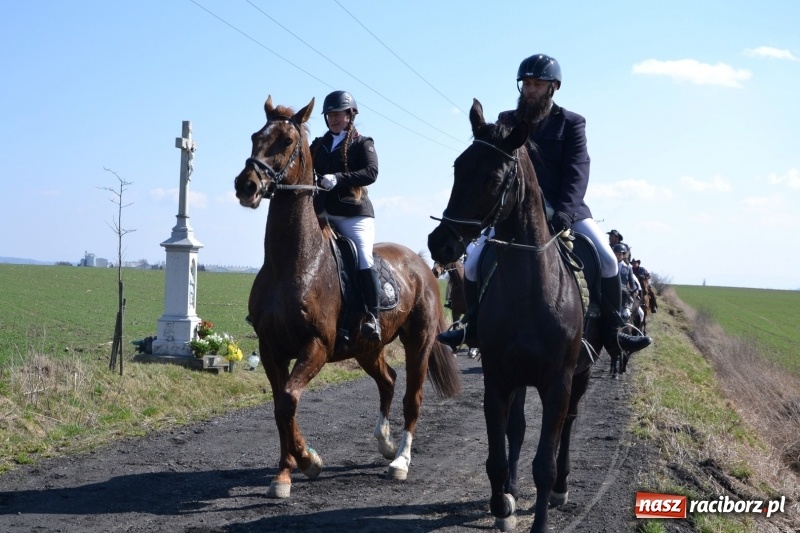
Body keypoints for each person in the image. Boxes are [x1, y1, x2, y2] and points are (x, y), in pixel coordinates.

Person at [437, 54, 652, 355]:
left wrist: (565, 209)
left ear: (553, 88)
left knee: (607, 259)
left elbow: (578, 170)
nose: (530, 90)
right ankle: (471, 327)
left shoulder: (571, 123)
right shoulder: (506, 121)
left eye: (538, 84)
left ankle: (615, 331)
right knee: (472, 264)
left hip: (565, 209)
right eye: (526, 84)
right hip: (515, 211)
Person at [311, 90, 381, 341]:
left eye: (337, 114)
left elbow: (371, 172)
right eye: (329, 115)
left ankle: (373, 317)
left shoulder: (363, 143)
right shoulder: (318, 145)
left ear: (350, 115)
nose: (333, 119)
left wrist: (338, 179)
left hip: (354, 215)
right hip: (322, 214)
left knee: (363, 257)